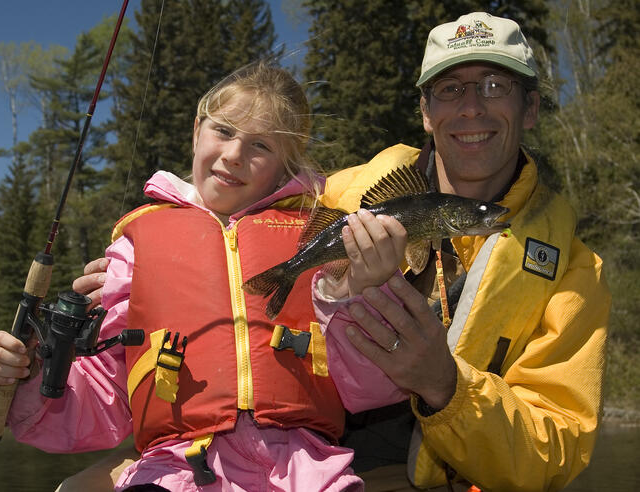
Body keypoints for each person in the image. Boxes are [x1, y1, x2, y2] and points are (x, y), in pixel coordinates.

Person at [72, 11, 611, 492]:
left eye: (495, 86)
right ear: (425, 111)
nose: (471, 108)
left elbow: (557, 449)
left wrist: (445, 385)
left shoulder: (575, 272)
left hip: (417, 473)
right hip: (275, 451)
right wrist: (136, 271)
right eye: (450, 89)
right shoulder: (330, 199)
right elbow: (228, 205)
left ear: (531, 107)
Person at [0, 62, 408, 492]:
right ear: (197, 129)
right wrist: (28, 379)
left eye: (260, 145)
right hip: (174, 473)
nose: (234, 154)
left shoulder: (319, 240)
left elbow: (374, 388)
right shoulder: (133, 251)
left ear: (284, 165)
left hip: (308, 472)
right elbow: (98, 404)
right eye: (223, 131)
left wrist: (362, 292)